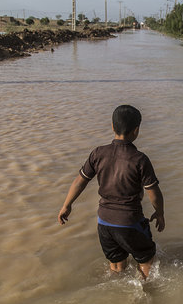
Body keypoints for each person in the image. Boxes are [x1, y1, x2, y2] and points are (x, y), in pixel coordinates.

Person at [57, 105, 165, 279]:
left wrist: (66, 205)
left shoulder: (98, 153)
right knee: (146, 259)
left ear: (112, 127)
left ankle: (116, 296)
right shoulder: (140, 159)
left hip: (104, 223)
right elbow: (154, 193)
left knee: (116, 266)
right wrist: (160, 214)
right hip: (130, 222)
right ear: (136, 130)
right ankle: (145, 295)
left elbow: (79, 181)